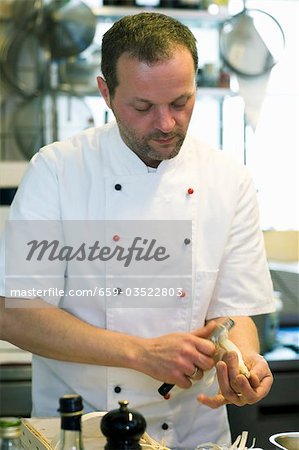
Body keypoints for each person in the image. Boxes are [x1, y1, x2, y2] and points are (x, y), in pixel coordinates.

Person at [0, 12, 275, 450]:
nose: (166, 124)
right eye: (144, 107)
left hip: (194, 435)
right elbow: (15, 315)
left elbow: (232, 313)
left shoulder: (229, 179)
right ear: (106, 92)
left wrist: (241, 360)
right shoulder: (57, 171)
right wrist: (141, 353)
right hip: (80, 432)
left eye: (181, 102)